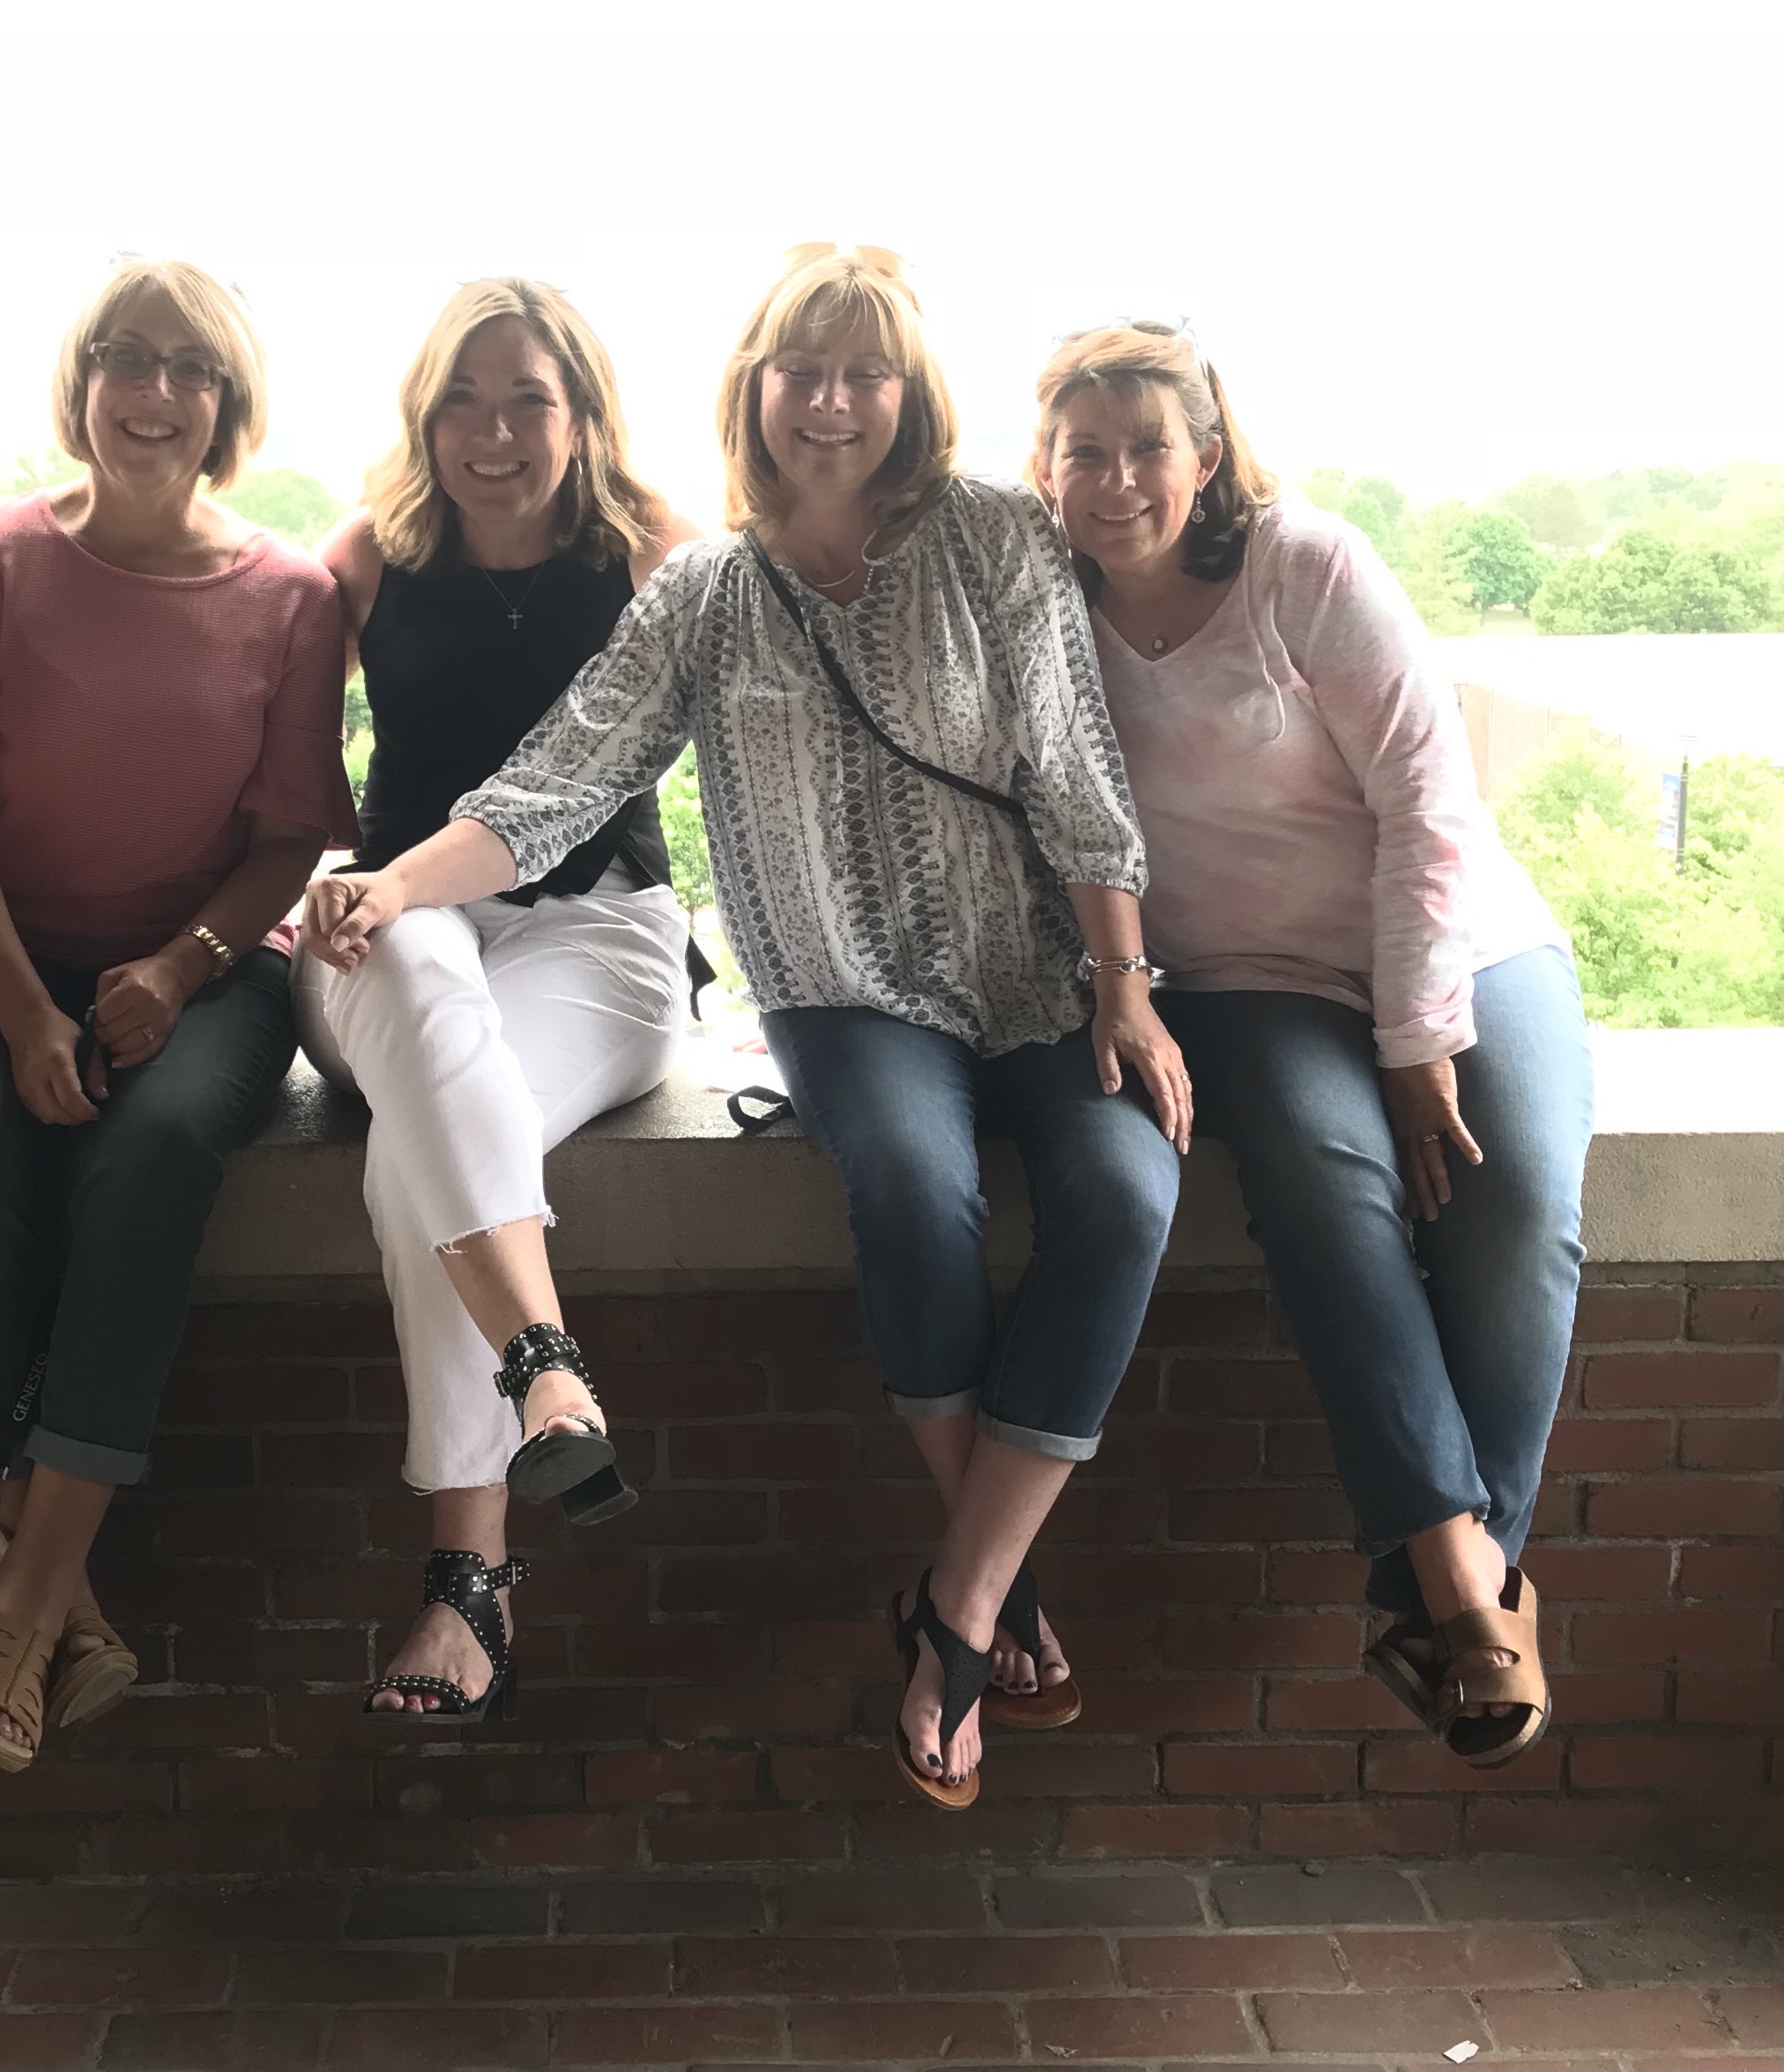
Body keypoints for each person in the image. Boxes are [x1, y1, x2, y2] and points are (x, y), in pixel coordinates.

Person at [308, 247, 1189, 1806]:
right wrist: (392, 888)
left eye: (864, 372)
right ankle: (985, 1583)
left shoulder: (994, 534)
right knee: (916, 1192)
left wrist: (1123, 975)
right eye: (802, 370)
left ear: (908, 395)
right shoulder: (707, 589)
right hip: (843, 990)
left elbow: (1070, 762)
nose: (831, 401)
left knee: (1126, 1192)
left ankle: (966, 1589)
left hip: (1031, 969)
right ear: (754, 392)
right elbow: (557, 781)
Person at [1031, 323, 1587, 1766]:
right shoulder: (1038, 603)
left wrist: (1418, 1039)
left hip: (1463, 941)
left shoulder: (1309, 566)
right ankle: (1473, 1591)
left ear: (1204, 456)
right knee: (1331, 1188)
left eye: (1146, 445)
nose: (1114, 479)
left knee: (1515, 1193)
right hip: (1246, 975)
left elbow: (1427, 804)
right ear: (1044, 467)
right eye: (1082, 450)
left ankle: (1445, 1583)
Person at [0, 258, 355, 1774]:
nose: (155, 396)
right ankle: (55, 1591)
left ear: (228, 404)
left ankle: (9, 1600)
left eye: (191, 370)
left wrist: (181, 964)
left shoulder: (293, 597)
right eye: (126, 360)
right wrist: (30, 1016)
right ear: (81, 382)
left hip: (209, 966)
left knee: (147, 1161)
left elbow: (293, 836)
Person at [294, 279, 704, 1723]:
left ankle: (471, 1575)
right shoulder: (361, 561)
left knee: (439, 1143)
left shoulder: (659, 560)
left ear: (583, 414)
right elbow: (277, 784)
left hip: (604, 934)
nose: (493, 431)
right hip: (387, 930)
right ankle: (546, 1368)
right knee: (412, 978)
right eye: (462, 400)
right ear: (423, 418)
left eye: (529, 397)